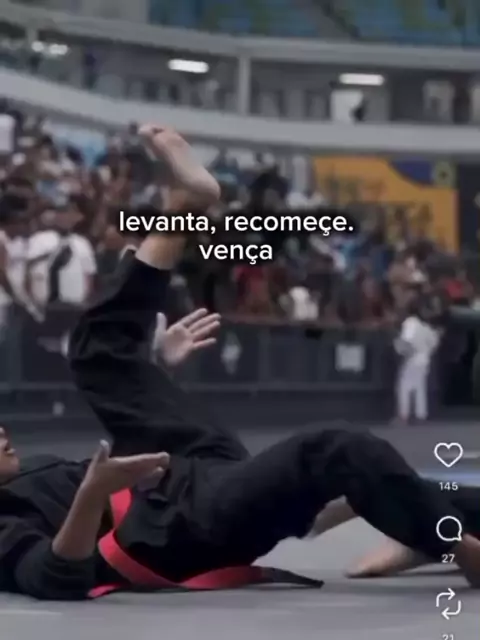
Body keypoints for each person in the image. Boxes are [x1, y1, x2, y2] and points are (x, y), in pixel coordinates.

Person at [2, 125, 480, 601]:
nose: (3, 432)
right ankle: (457, 547)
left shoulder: (27, 475)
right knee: (334, 449)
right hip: (187, 526)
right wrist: (92, 495)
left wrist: (155, 374)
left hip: (180, 473)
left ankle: (183, 204)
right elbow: (55, 577)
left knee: (98, 355)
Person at [394, 301, 441, 424]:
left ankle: (403, 415)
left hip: (412, 358)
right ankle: (420, 415)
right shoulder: (425, 326)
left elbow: (406, 341)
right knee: (419, 387)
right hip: (425, 359)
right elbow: (434, 343)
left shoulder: (410, 323)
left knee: (404, 386)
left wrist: (399, 350)